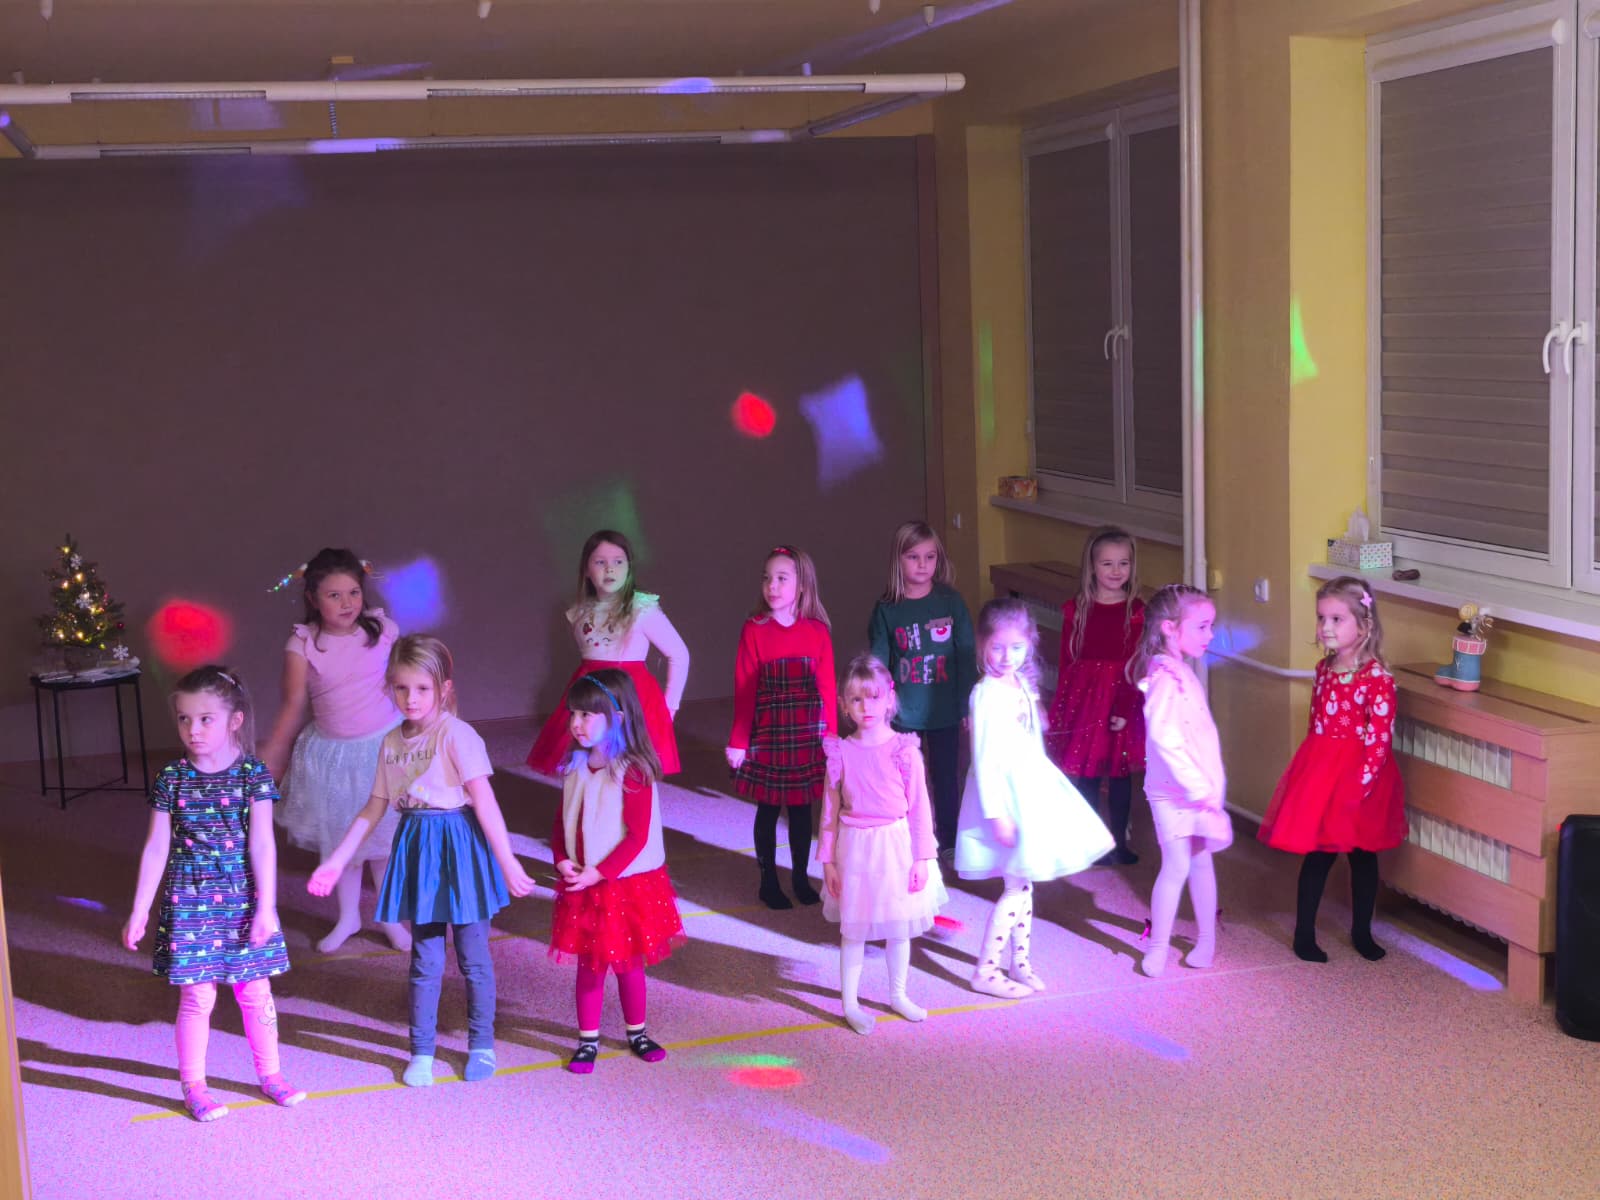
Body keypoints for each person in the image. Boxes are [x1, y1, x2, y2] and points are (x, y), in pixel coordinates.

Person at [309, 635, 535, 1087]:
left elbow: (484, 801)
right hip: (418, 847)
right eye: (401, 688)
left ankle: (481, 1044)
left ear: (444, 689)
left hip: (459, 845)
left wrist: (508, 860)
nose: (411, 699)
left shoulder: (457, 735)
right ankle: (422, 1051)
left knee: (473, 957)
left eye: (422, 689)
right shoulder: (391, 741)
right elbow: (374, 807)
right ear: (389, 688)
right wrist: (337, 860)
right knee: (424, 959)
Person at [123, 666, 303, 1122]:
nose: (193, 729)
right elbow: (156, 846)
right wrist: (140, 908)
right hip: (190, 900)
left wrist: (267, 908)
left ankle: (271, 1074)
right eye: (184, 719)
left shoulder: (252, 775)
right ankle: (195, 1086)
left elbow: (262, 844)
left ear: (234, 720)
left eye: (206, 719)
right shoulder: (172, 778)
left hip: (242, 898)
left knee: (255, 992)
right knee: (198, 998)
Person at [954, 599, 1114, 998]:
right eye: (997, 648)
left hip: (1028, 791)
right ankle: (985, 970)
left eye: (1016, 647)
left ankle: (1019, 962)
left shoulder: (1021, 685)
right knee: (1017, 887)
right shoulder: (985, 693)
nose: (1006, 657)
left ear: (1029, 643)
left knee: (1024, 883)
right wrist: (997, 813)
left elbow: (1031, 743)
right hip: (1004, 798)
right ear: (982, 645)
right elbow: (984, 757)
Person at [262, 547, 408, 953]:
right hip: (334, 756)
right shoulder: (303, 644)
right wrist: (275, 749)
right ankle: (348, 917)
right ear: (313, 598)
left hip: (382, 749)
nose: (347, 603)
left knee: (383, 842)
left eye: (353, 593)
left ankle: (390, 918)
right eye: (334, 595)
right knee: (343, 841)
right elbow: (293, 703)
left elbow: (405, 681)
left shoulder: (383, 630)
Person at [1259, 576, 1406, 963]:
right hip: (1322, 772)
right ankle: (1303, 934)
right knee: (1319, 854)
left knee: (1362, 856)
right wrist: (1311, 773)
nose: (1326, 627)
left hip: (1360, 780)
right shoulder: (1324, 669)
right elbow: (1316, 724)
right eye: (1322, 618)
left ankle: (1362, 932)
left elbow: (1379, 738)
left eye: (1337, 619)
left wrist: (1360, 787)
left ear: (1364, 623)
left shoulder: (1377, 678)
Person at [549, 669, 687, 1073]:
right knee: (589, 967)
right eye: (573, 714)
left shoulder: (632, 770)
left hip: (622, 885)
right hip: (583, 883)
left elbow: (637, 837)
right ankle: (587, 1040)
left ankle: (637, 1032)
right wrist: (561, 857)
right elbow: (562, 819)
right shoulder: (575, 764)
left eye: (587, 715)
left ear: (618, 718)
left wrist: (600, 873)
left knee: (628, 965)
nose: (576, 723)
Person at [820, 654, 948, 1035]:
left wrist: (922, 858)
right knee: (853, 930)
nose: (866, 707)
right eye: (856, 699)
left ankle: (898, 994)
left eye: (874, 698)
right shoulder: (840, 753)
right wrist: (827, 862)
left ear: (890, 698)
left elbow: (920, 809)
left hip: (896, 847)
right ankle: (850, 1003)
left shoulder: (904, 751)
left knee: (899, 926)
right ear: (844, 705)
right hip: (856, 850)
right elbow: (829, 812)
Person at [527, 529, 690, 776]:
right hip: (591, 688)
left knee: (629, 761)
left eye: (618, 562)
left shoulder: (641, 608)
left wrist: (670, 706)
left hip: (630, 691)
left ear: (629, 567)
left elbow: (679, 654)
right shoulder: (580, 611)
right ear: (586, 569)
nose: (610, 569)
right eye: (600, 562)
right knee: (586, 755)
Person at [726, 544, 836, 910]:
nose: (772, 586)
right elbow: (744, 689)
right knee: (769, 808)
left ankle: (801, 878)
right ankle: (768, 881)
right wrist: (739, 742)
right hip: (770, 733)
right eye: (767, 578)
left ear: (802, 585)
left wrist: (832, 738)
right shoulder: (754, 629)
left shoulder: (817, 631)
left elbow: (827, 688)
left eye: (781, 578)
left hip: (806, 733)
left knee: (802, 810)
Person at [1130, 584, 1232, 977]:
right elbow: (1164, 738)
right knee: (1176, 865)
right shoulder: (1164, 676)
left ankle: (1206, 941)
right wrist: (1195, 785)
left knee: (1201, 861)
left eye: (1211, 626)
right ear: (1171, 628)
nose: (1210, 635)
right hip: (1173, 791)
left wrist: (1207, 786)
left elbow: (1199, 735)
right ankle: (1158, 947)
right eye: (1202, 626)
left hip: (1196, 789)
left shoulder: (1182, 671)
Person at [866, 520, 976, 865]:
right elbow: (878, 664)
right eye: (913, 557)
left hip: (944, 711)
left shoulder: (950, 602)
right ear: (898, 560)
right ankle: (909, 838)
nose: (923, 564)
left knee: (946, 779)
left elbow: (965, 656)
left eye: (930, 557)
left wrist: (967, 705)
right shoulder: (887, 609)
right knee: (904, 779)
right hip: (903, 714)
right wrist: (878, 706)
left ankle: (949, 839)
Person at [1045, 526, 1146, 864]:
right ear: (1091, 566)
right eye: (1107, 564)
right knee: (1086, 774)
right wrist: (1061, 707)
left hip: (1121, 701)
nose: (1116, 571)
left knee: (1119, 774)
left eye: (1123, 563)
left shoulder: (1136, 611)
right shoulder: (1076, 609)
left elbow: (1137, 664)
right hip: (1084, 703)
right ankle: (1089, 843)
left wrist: (1125, 707)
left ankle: (1118, 842)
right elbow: (1067, 660)